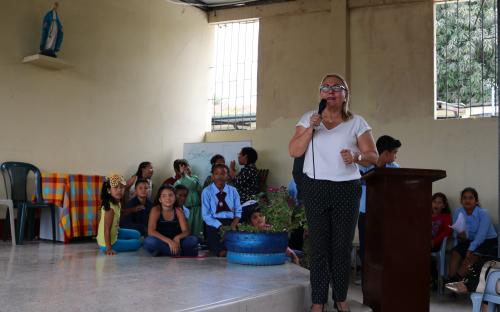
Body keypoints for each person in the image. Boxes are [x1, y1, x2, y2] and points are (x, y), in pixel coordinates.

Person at [288, 73, 378, 312]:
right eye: (325, 87)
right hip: (316, 188)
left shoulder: (357, 122)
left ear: (345, 94)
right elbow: (294, 151)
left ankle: (340, 298)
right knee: (318, 247)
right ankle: (318, 301)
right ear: (320, 93)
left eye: (336, 87)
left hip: (347, 190)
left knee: (341, 247)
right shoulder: (309, 118)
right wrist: (310, 128)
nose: (330, 91)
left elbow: (374, 157)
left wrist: (357, 156)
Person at [357, 135, 401, 276]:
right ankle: (368, 281)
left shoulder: (395, 169)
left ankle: (386, 277)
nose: (395, 156)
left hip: (386, 214)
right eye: (394, 152)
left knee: (385, 249)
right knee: (367, 250)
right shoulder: (364, 166)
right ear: (386, 153)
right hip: (366, 214)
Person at [447, 187, 498, 282]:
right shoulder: (458, 211)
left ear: (476, 201)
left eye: (470, 198)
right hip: (469, 241)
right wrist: (460, 236)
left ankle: (455, 281)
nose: (467, 201)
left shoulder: (483, 214)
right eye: (465, 198)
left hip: (487, 242)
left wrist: (470, 249)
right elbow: (455, 229)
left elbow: (481, 237)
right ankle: (451, 281)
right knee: (455, 253)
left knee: (472, 256)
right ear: (461, 200)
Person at [143, 184, 199, 257]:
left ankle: (165, 251)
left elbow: (186, 231)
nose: (168, 198)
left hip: (176, 241)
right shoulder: (156, 210)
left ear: (175, 197)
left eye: (170, 195)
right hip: (161, 240)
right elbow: (151, 231)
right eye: (164, 196)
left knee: (193, 240)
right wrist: (169, 241)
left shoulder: (178, 210)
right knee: (149, 242)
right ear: (160, 199)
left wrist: (177, 238)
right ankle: (178, 252)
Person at [201, 164, 242, 257]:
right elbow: (206, 215)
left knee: (237, 241)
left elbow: (238, 211)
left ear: (227, 176)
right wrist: (220, 226)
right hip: (213, 223)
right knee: (219, 248)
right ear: (212, 176)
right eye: (216, 174)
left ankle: (231, 249)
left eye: (223, 173)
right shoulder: (207, 191)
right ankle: (220, 250)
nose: (219, 176)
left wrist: (233, 225)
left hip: (231, 222)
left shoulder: (233, 191)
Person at [96, 174, 142, 255]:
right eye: (116, 187)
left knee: (137, 234)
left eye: (121, 188)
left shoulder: (117, 202)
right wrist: (109, 248)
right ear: (109, 190)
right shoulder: (110, 209)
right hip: (107, 243)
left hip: (115, 232)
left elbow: (121, 213)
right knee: (137, 243)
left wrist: (133, 209)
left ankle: (121, 239)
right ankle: (110, 245)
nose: (119, 190)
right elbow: (106, 230)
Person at [174, 161, 204, 239]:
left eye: (187, 166)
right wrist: (184, 175)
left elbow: (192, 185)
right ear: (178, 170)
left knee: (198, 229)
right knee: (188, 227)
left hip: (197, 208)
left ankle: (198, 243)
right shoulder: (178, 182)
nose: (186, 169)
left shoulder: (195, 178)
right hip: (185, 209)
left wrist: (185, 175)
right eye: (183, 167)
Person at [230, 147, 259, 223]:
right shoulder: (247, 168)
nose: (238, 156)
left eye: (240, 154)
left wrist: (231, 168)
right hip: (243, 202)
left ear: (245, 156)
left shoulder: (250, 169)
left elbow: (237, 182)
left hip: (247, 202)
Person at [430, 192, 452, 288]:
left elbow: (447, 232)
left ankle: (435, 279)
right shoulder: (426, 214)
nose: (436, 204)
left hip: (436, 244)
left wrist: (434, 241)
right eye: (434, 202)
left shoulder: (446, 217)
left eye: (439, 203)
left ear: (443, 205)